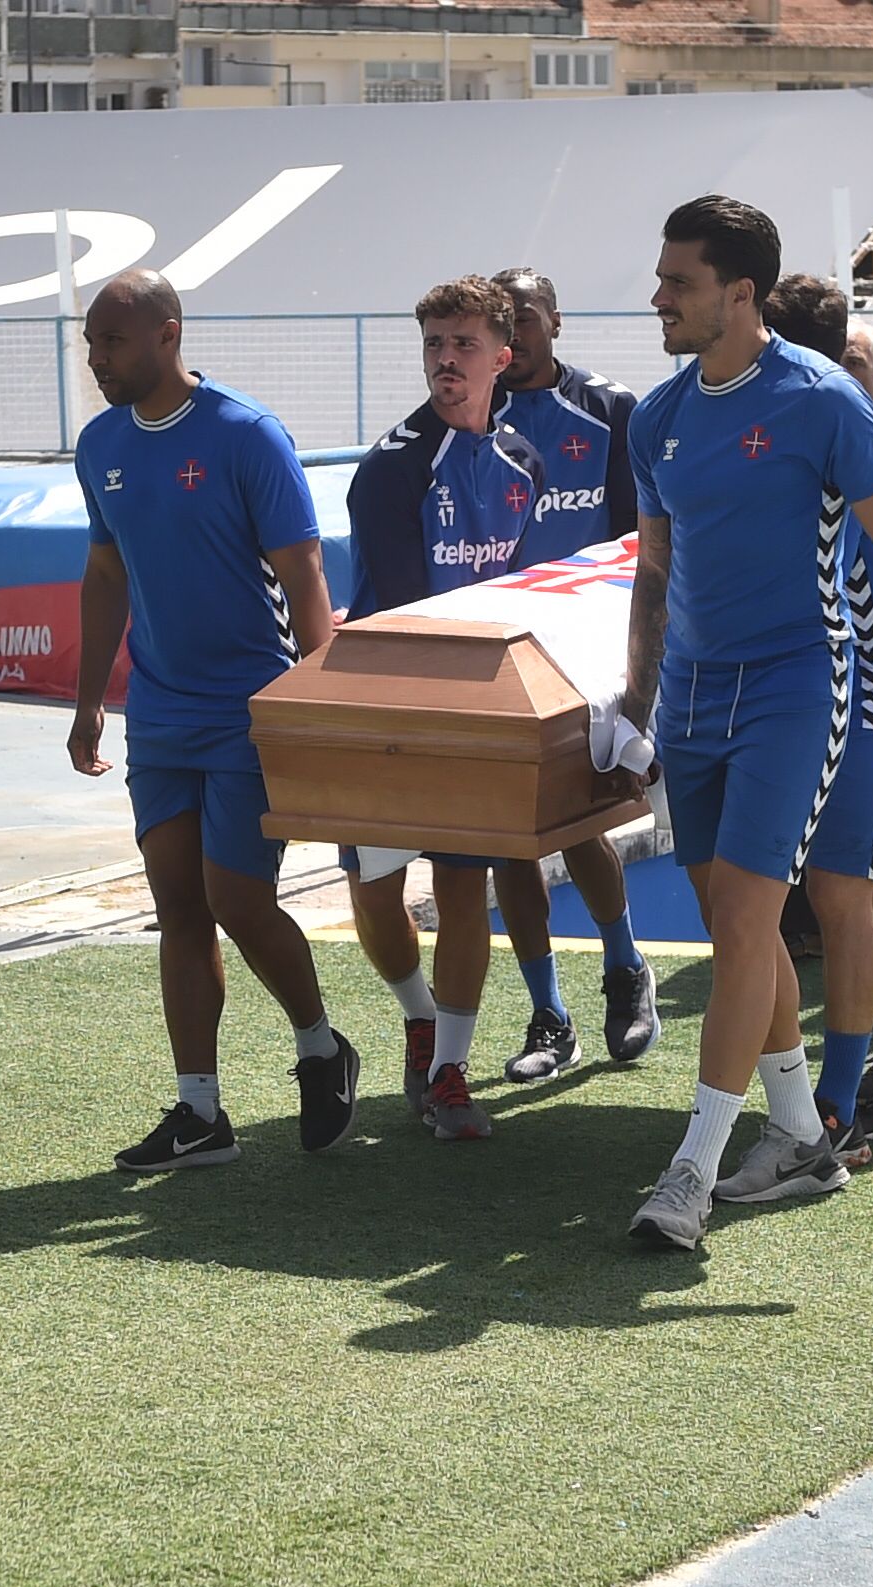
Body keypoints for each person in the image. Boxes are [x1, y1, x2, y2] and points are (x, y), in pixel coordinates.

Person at [620, 198, 873, 1249]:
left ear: (740, 294)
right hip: (693, 699)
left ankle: (690, 1173)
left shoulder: (821, 402)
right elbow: (655, 574)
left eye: (679, 282)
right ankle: (801, 1133)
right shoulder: (656, 416)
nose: (660, 297)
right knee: (731, 931)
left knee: (750, 929)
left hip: (799, 689)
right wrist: (635, 703)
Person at [67, 269, 360, 1173]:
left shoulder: (246, 435)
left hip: (249, 711)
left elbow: (306, 578)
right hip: (158, 715)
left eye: (112, 343)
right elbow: (107, 575)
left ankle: (320, 1045)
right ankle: (201, 1112)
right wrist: (87, 703)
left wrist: (317, 710)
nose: (97, 360)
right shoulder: (100, 445)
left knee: (238, 898)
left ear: (168, 334)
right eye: (91, 344)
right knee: (179, 906)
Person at [343, 275, 547, 1141]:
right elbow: (397, 609)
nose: (445, 361)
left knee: (465, 885)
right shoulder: (391, 471)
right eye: (433, 345)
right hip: (391, 706)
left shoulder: (523, 464)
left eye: (463, 345)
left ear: (503, 357)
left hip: (479, 712)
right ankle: (417, 1014)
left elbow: (522, 592)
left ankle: (452, 1071)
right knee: (374, 890)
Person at [756, 272, 873, 1163]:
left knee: (845, 894)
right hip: (859, 702)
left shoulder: (845, 440)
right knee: (860, 894)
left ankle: (835, 1104)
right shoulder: (818, 436)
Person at [484, 265, 659, 1085]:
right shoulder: (469, 419)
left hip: (580, 655)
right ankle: (548, 1014)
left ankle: (625, 969)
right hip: (494, 655)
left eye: (524, 320)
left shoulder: (610, 409)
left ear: (555, 321)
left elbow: (641, 548)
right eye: (501, 323)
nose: (512, 337)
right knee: (503, 842)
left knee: (581, 823)